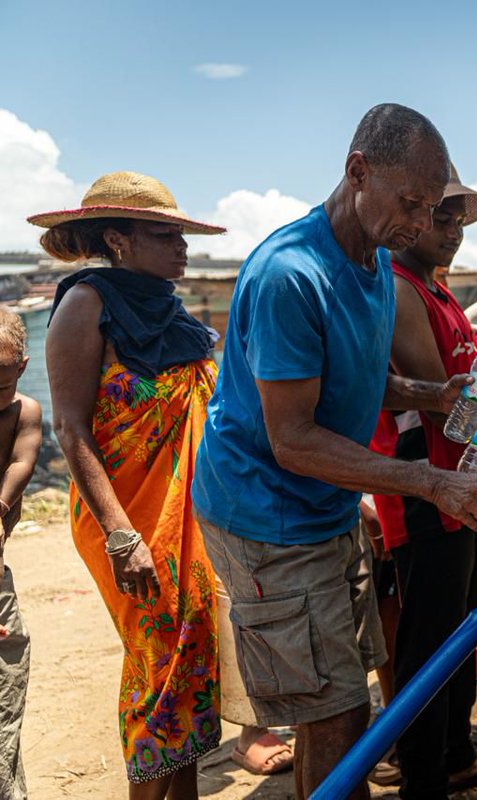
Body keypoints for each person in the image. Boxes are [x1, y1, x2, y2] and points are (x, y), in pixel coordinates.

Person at [191, 105, 477, 799]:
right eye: (411, 204)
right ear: (357, 170)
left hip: (325, 504)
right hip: (267, 513)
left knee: (344, 703)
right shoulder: (290, 274)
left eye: (432, 208)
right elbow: (294, 438)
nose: (423, 225)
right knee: (333, 714)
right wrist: (428, 480)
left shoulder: (370, 264)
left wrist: (435, 393)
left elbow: (368, 381)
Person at [37, 172, 230, 799]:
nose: (181, 247)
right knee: (157, 662)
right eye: (163, 234)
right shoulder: (83, 304)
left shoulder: (171, 312)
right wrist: (122, 537)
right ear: (118, 239)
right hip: (122, 519)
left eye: (180, 235)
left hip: (187, 513)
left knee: (195, 644)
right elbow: (69, 428)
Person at [368, 166, 477, 796]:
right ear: (410, 218)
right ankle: (422, 776)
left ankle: (456, 754)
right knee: (429, 641)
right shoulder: (402, 287)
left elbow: (473, 393)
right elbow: (444, 400)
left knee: (462, 627)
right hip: (428, 487)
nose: (453, 231)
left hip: (465, 485)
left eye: (460, 219)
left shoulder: (436, 293)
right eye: (441, 217)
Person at [0, 311, 40, 800]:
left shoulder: (23, 411)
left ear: (22, 366)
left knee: (7, 686)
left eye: (2, 383)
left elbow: (21, 462)